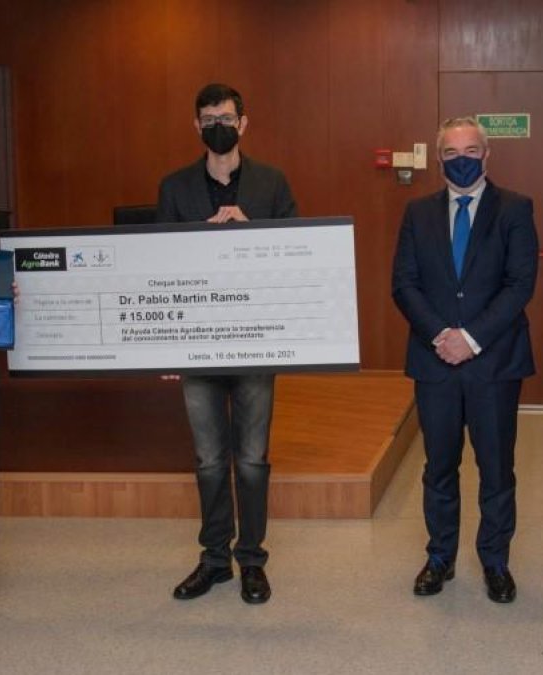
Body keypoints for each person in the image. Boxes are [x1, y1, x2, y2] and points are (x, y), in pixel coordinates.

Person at [155, 83, 297, 605]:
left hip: (257, 342)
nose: (219, 124)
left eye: (227, 116)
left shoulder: (272, 183)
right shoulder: (174, 187)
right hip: (197, 346)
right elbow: (159, 268)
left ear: (244, 123)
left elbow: (294, 254)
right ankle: (214, 559)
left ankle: (252, 560)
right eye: (209, 117)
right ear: (196, 126)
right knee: (210, 459)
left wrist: (250, 229)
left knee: (253, 458)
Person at [391, 116, 538, 604]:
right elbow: (404, 284)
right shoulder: (417, 212)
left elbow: (520, 285)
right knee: (438, 467)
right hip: (434, 363)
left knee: (496, 468)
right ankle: (440, 558)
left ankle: (495, 561)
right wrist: (440, 335)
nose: (461, 160)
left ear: (487, 155)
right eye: (452, 152)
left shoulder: (515, 209)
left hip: (494, 363)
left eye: (471, 150)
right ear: (438, 160)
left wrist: (470, 338)